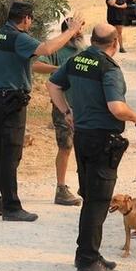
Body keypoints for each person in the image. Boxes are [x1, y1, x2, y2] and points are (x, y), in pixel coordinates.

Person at [46, 23, 136, 271]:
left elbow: (53, 85)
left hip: (83, 137)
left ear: (93, 40)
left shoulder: (78, 60)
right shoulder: (109, 68)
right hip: (103, 140)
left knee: (90, 198)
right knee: (98, 202)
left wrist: (67, 112)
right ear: (115, 42)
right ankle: (88, 261)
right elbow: (116, 107)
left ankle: (88, 254)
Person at [0, 2, 84, 221]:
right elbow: (47, 49)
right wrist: (71, 31)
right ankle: (11, 207)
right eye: (31, 19)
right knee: (11, 154)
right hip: (12, 101)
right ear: (26, 19)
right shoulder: (18, 38)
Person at [45, 18, 88, 207]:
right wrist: (61, 70)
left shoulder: (86, 51)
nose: (80, 34)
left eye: (80, 31)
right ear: (67, 32)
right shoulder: (57, 50)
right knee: (65, 146)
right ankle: (61, 189)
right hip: (63, 106)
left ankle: (85, 186)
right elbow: (37, 66)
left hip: (85, 107)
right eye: (76, 31)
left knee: (85, 147)